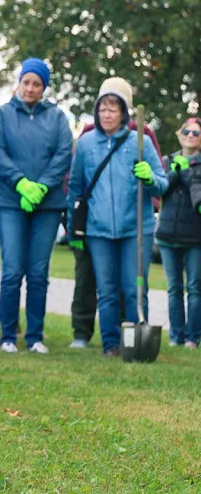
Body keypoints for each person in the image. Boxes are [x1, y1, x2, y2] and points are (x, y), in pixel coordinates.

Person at [67, 77, 167, 357]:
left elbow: (162, 183)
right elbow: (75, 188)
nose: (107, 114)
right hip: (98, 231)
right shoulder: (85, 144)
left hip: (136, 229)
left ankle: (137, 339)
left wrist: (149, 179)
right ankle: (111, 343)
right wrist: (72, 228)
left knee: (134, 288)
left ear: (124, 112)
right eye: (102, 109)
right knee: (107, 290)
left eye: (113, 109)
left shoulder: (141, 142)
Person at [0, 58, 72, 354]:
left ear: (44, 87)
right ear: (19, 82)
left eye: (37, 84)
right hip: (10, 202)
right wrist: (21, 183)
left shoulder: (57, 117)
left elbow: (63, 155)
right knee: (12, 270)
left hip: (47, 205)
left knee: (38, 272)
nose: (30, 88)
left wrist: (42, 187)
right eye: (26, 82)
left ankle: (35, 336)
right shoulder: (2, 114)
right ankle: (8, 335)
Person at [156, 117, 201, 349]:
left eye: (196, 132)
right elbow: (161, 188)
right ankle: (175, 335)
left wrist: (188, 174)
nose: (191, 136)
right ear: (179, 133)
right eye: (187, 131)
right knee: (174, 287)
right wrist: (175, 172)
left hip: (195, 236)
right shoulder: (166, 161)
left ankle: (193, 337)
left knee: (194, 286)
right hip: (167, 234)